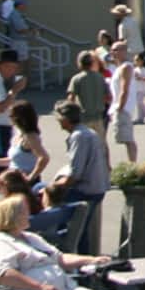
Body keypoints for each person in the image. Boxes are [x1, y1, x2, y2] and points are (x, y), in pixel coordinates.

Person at [51, 100, 108, 255]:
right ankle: (84, 263)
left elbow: (76, 173)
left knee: (67, 227)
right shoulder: (87, 132)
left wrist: (54, 187)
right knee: (81, 229)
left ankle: (72, 262)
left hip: (86, 190)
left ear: (65, 119)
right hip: (96, 187)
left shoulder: (79, 137)